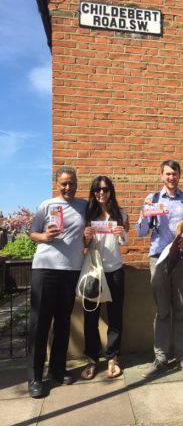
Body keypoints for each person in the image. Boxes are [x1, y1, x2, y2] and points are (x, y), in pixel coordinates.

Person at [136, 159, 183, 378]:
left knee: (181, 309)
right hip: (158, 258)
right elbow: (141, 232)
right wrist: (146, 214)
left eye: (175, 173)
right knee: (162, 310)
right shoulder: (152, 200)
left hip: (181, 258)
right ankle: (161, 358)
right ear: (161, 176)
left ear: (179, 175)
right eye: (167, 174)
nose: (171, 177)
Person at [28, 167, 87, 398]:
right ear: (57, 184)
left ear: (77, 183)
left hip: (71, 270)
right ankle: (34, 378)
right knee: (39, 324)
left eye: (71, 183)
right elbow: (32, 233)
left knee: (63, 323)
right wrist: (44, 236)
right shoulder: (47, 206)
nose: (68, 187)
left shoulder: (83, 206)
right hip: (45, 269)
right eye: (63, 183)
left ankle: (57, 369)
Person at [80, 176, 128, 380]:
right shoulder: (87, 215)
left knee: (115, 316)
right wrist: (86, 237)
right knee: (91, 316)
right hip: (93, 270)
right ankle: (92, 358)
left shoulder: (120, 213)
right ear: (93, 192)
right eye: (98, 190)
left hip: (115, 270)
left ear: (111, 192)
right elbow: (81, 246)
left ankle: (112, 357)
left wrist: (121, 232)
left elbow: (124, 242)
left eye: (106, 189)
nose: (102, 193)